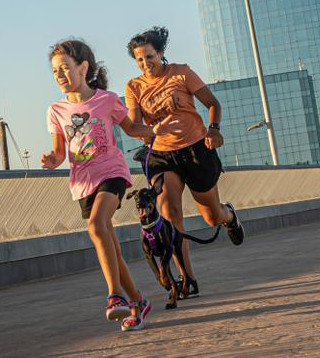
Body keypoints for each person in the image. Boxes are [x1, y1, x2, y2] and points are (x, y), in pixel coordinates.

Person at [125, 27, 245, 303]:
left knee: (211, 216)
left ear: (161, 53)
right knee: (169, 212)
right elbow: (133, 126)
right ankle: (187, 279)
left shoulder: (181, 73)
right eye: (140, 60)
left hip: (195, 149)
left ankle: (229, 216)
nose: (146, 63)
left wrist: (213, 130)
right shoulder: (133, 87)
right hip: (162, 155)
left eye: (149, 56)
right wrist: (147, 132)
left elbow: (212, 103)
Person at [41, 38, 154, 330]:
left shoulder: (106, 99)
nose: (60, 75)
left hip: (112, 172)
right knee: (111, 249)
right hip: (83, 182)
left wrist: (155, 130)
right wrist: (53, 160)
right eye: (55, 71)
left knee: (96, 226)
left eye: (65, 68)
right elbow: (59, 151)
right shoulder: (55, 110)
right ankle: (138, 302)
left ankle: (115, 296)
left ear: (83, 67)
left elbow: (131, 128)